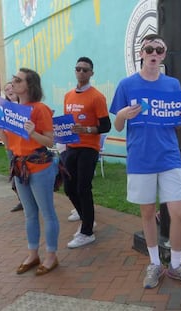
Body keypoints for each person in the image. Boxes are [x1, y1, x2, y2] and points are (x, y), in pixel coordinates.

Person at [110, 34, 181, 289]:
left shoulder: (172, 84)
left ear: (163, 55)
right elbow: (117, 125)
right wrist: (123, 114)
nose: (153, 53)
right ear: (141, 52)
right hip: (140, 158)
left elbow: (178, 121)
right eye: (149, 49)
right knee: (148, 212)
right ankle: (154, 263)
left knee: (179, 212)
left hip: (169, 156)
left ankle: (176, 264)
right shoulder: (127, 85)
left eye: (159, 50)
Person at [0, 68, 60, 276]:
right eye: (13, 80)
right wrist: (0, 130)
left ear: (29, 85)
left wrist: (33, 133)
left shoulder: (40, 109)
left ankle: (51, 256)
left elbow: (50, 141)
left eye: (17, 80)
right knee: (30, 214)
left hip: (40, 167)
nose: (12, 83)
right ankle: (33, 254)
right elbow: (9, 145)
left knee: (47, 213)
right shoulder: (11, 110)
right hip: (20, 167)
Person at [62, 56, 111, 248]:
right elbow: (67, 123)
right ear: (74, 71)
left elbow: (105, 125)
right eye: (78, 69)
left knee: (83, 187)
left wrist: (87, 130)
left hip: (88, 148)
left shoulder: (97, 97)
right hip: (70, 147)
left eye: (85, 70)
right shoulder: (68, 96)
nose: (81, 72)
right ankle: (87, 218)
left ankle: (87, 231)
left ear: (91, 73)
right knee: (68, 188)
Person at [3, 82, 24, 212]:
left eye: (11, 87)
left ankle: (32, 200)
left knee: (26, 174)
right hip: (11, 145)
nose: (9, 90)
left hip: (24, 147)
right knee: (15, 174)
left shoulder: (25, 105)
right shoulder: (4, 108)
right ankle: (22, 200)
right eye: (6, 90)